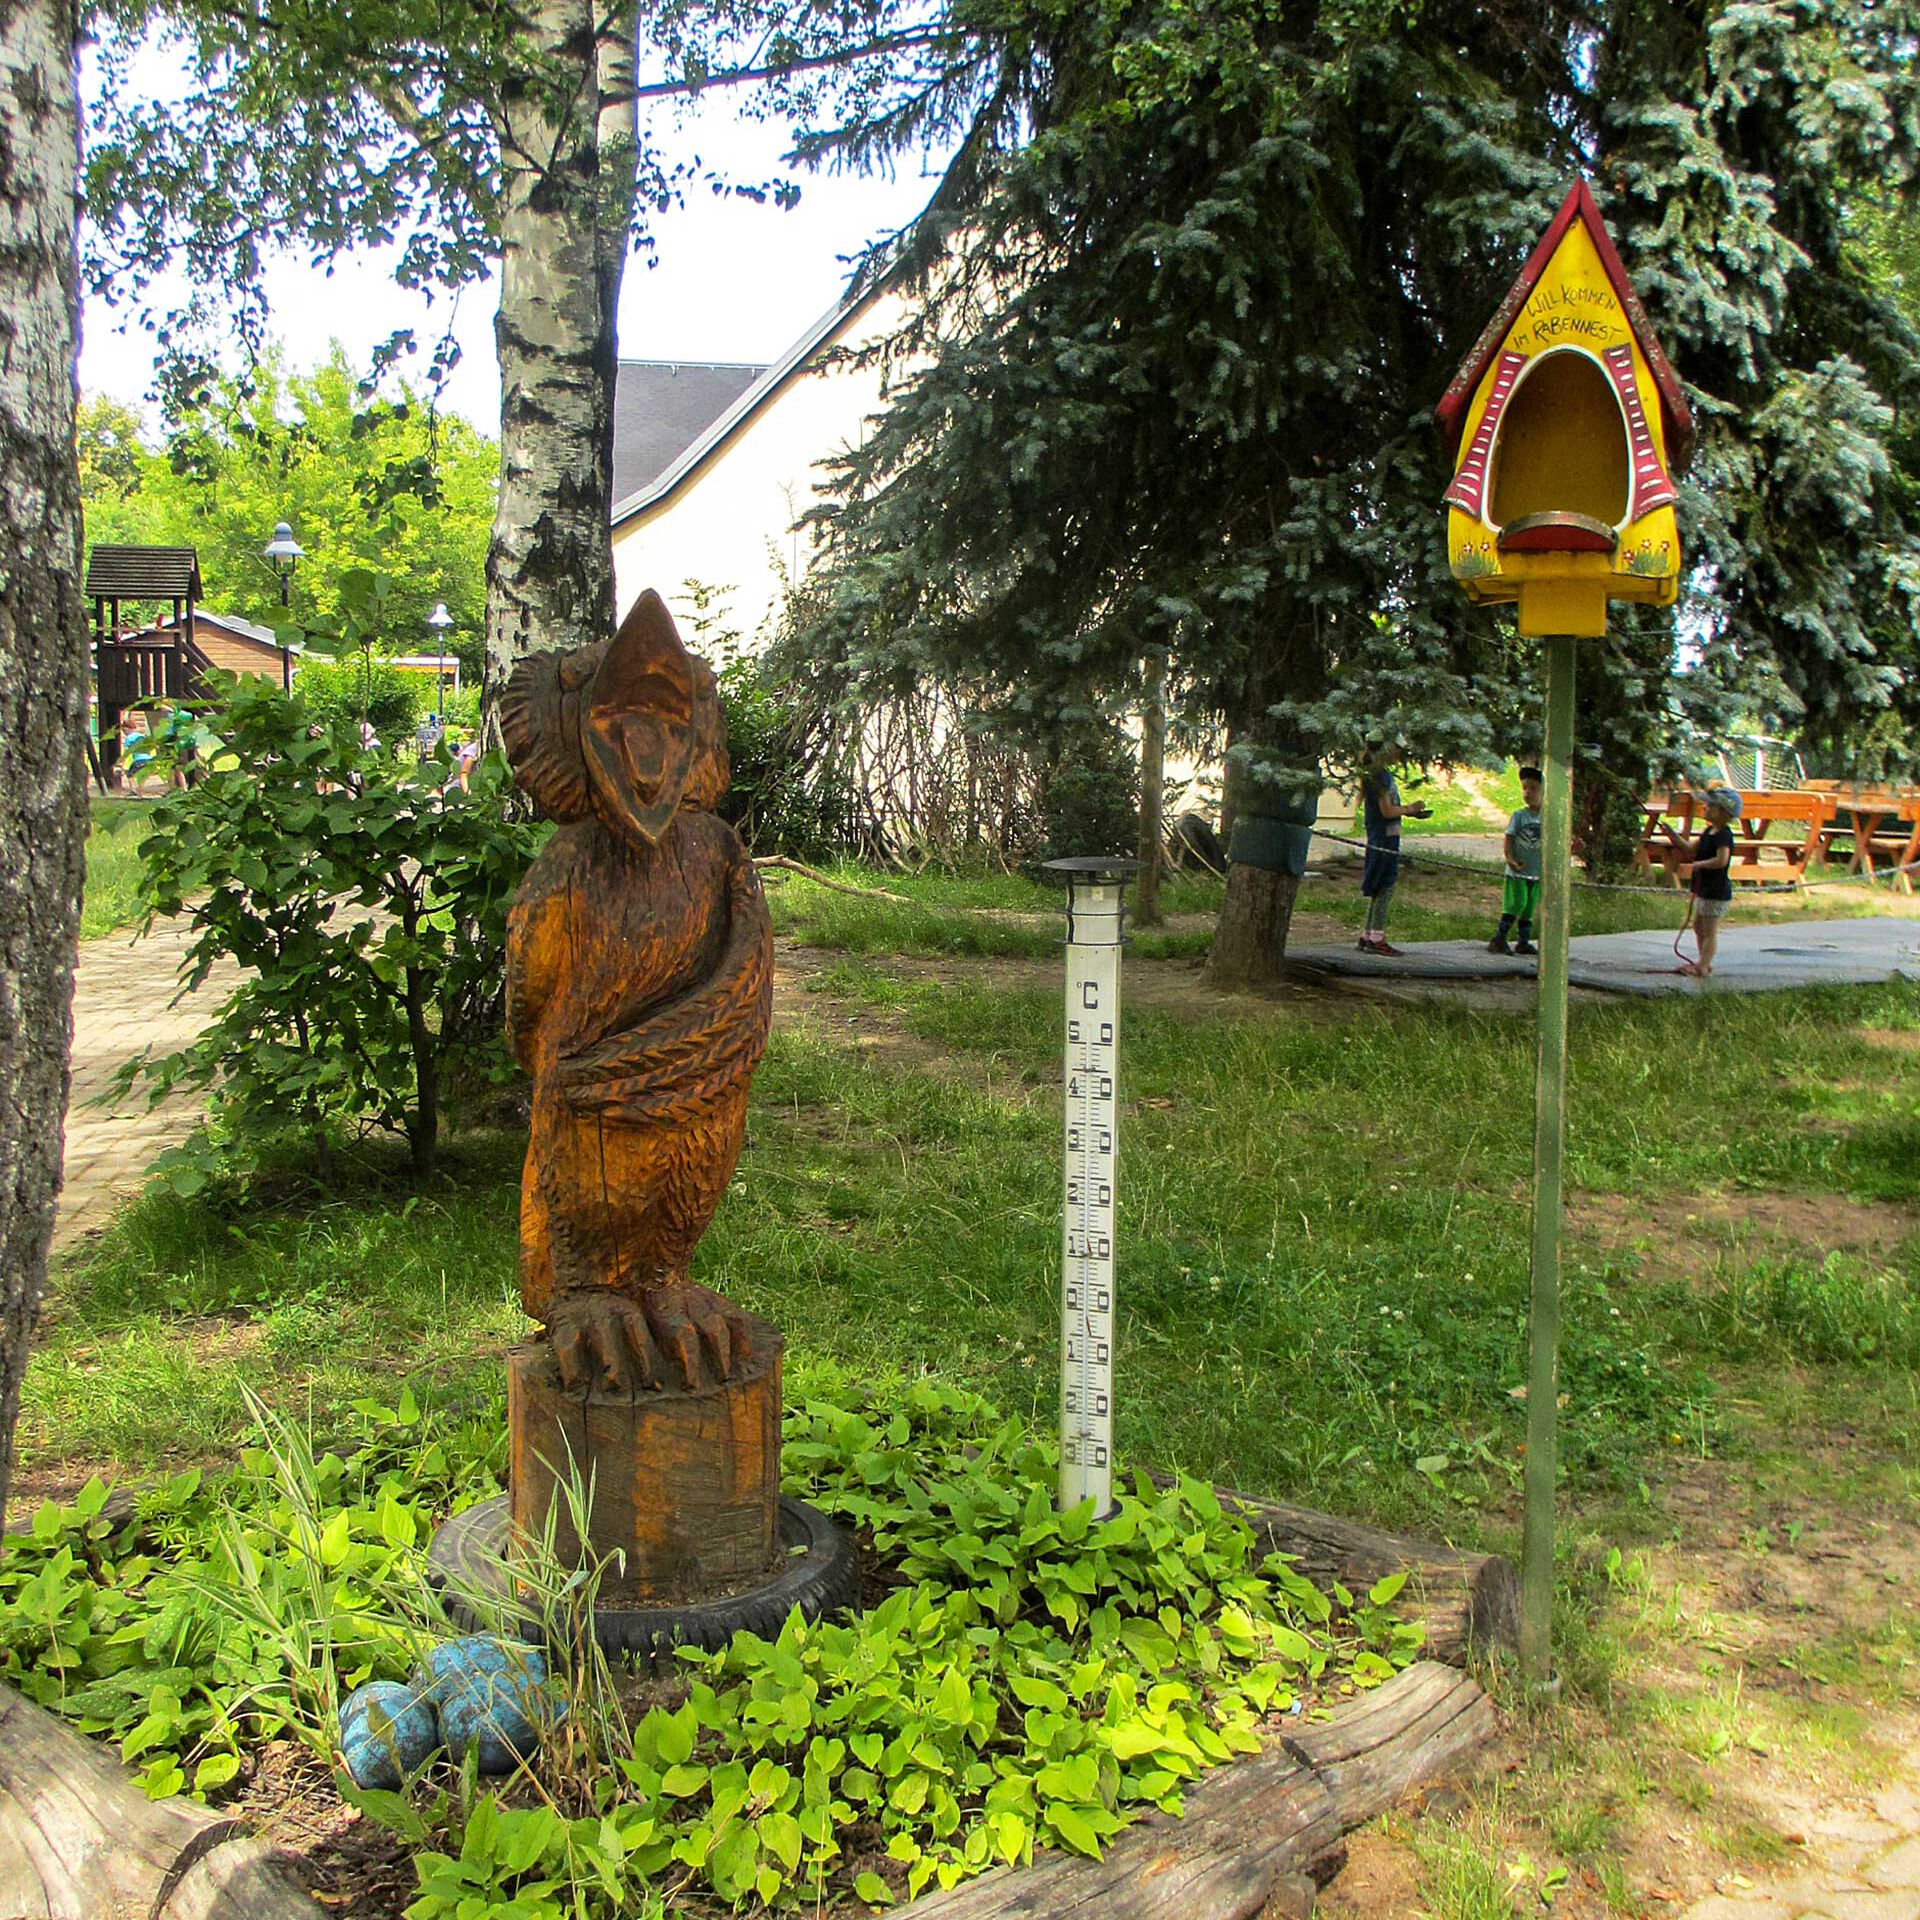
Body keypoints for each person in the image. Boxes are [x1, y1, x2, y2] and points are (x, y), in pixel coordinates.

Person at [1357, 751, 1431, 956]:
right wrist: (1410, 808)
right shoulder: (1379, 776)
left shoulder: (1380, 774)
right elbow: (1387, 811)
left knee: (1379, 887)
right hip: (1383, 838)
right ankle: (1376, 938)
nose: (1400, 755)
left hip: (1388, 835)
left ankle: (1367, 934)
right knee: (1385, 885)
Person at [1666, 785, 1739, 977]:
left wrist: (1698, 866)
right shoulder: (1708, 832)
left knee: (1710, 930)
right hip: (1705, 889)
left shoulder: (1724, 835)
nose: (1705, 809)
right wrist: (1672, 835)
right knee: (1698, 926)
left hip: (1717, 890)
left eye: (1709, 807)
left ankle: (1703, 966)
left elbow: (1721, 860)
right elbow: (1689, 847)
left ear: (1723, 812)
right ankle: (1702, 961)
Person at [1488, 765, 1544, 955]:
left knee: (1529, 907)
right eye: (1525, 788)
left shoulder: (1549, 817)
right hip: (1518, 870)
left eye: (1534, 788)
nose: (1528, 793)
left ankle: (1523, 941)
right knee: (1516, 903)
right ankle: (1499, 938)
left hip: (1536, 872)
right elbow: (1509, 837)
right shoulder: (1520, 816)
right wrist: (1510, 859)